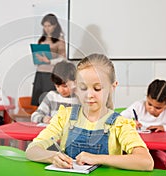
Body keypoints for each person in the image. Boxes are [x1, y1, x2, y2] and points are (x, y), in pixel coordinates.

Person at [26, 54, 154, 171]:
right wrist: (52, 156)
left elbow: (146, 162)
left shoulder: (120, 124)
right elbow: (32, 150)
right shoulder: (65, 116)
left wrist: (98, 158)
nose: (89, 95)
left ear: (112, 87)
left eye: (97, 88)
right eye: (83, 88)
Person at [121, 79, 166, 170]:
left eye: (158, 107)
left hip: (160, 150)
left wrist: (165, 127)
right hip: (137, 146)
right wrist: (130, 123)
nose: (152, 109)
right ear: (147, 97)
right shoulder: (138, 106)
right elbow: (119, 119)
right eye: (149, 104)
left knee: (157, 161)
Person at [31, 13, 66, 106]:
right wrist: (37, 58)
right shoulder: (42, 39)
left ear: (55, 26)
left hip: (50, 73)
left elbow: (63, 58)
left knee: (49, 100)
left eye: (49, 26)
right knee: (38, 101)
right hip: (40, 72)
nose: (46, 28)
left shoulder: (60, 39)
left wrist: (49, 61)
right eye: (44, 26)